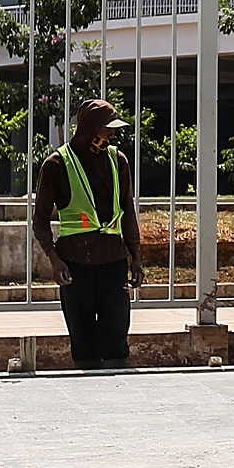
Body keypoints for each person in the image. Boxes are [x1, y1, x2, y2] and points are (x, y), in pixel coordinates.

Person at [30, 99, 143, 370]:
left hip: (113, 262)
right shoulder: (57, 164)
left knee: (116, 336)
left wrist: (136, 256)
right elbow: (40, 220)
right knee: (83, 343)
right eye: (107, 129)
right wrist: (54, 259)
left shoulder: (118, 161)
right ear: (90, 128)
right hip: (75, 265)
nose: (112, 135)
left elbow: (128, 211)